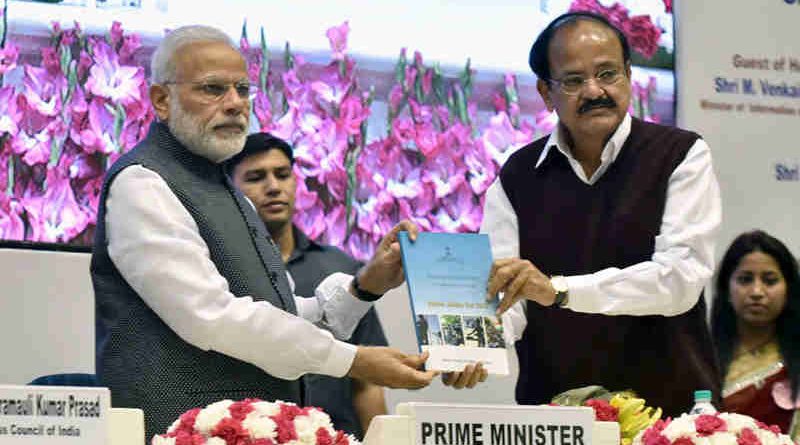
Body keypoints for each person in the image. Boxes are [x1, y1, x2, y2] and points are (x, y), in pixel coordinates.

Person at [91, 25, 480, 440]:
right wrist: (353, 360)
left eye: (242, 89)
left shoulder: (229, 194)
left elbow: (281, 314)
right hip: (175, 432)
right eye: (213, 89)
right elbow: (211, 317)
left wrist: (365, 286)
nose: (235, 104)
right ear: (161, 100)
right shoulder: (142, 183)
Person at [481, 11, 722, 416]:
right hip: (556, 417)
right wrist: (472, 349)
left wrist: (558, 291)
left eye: (608, 74)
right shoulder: (518, 177)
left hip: (669, 419)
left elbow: (679, 280)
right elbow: (504, 298)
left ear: (629, 75)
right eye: (574, 81)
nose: (594, 91)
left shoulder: (679, 155)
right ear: (545, 92)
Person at [225, 133, 389, 439]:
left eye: (283, 174)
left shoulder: (342, 269)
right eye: (256, 177)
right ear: (231, 191)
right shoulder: (222, 274)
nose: (273, 187)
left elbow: (367, 379)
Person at [711, 230, 800, 440]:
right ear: (726, 288)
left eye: (769, 281)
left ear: (789, 289)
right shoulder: (703, 358)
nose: (757, 292)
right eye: (745, 280)